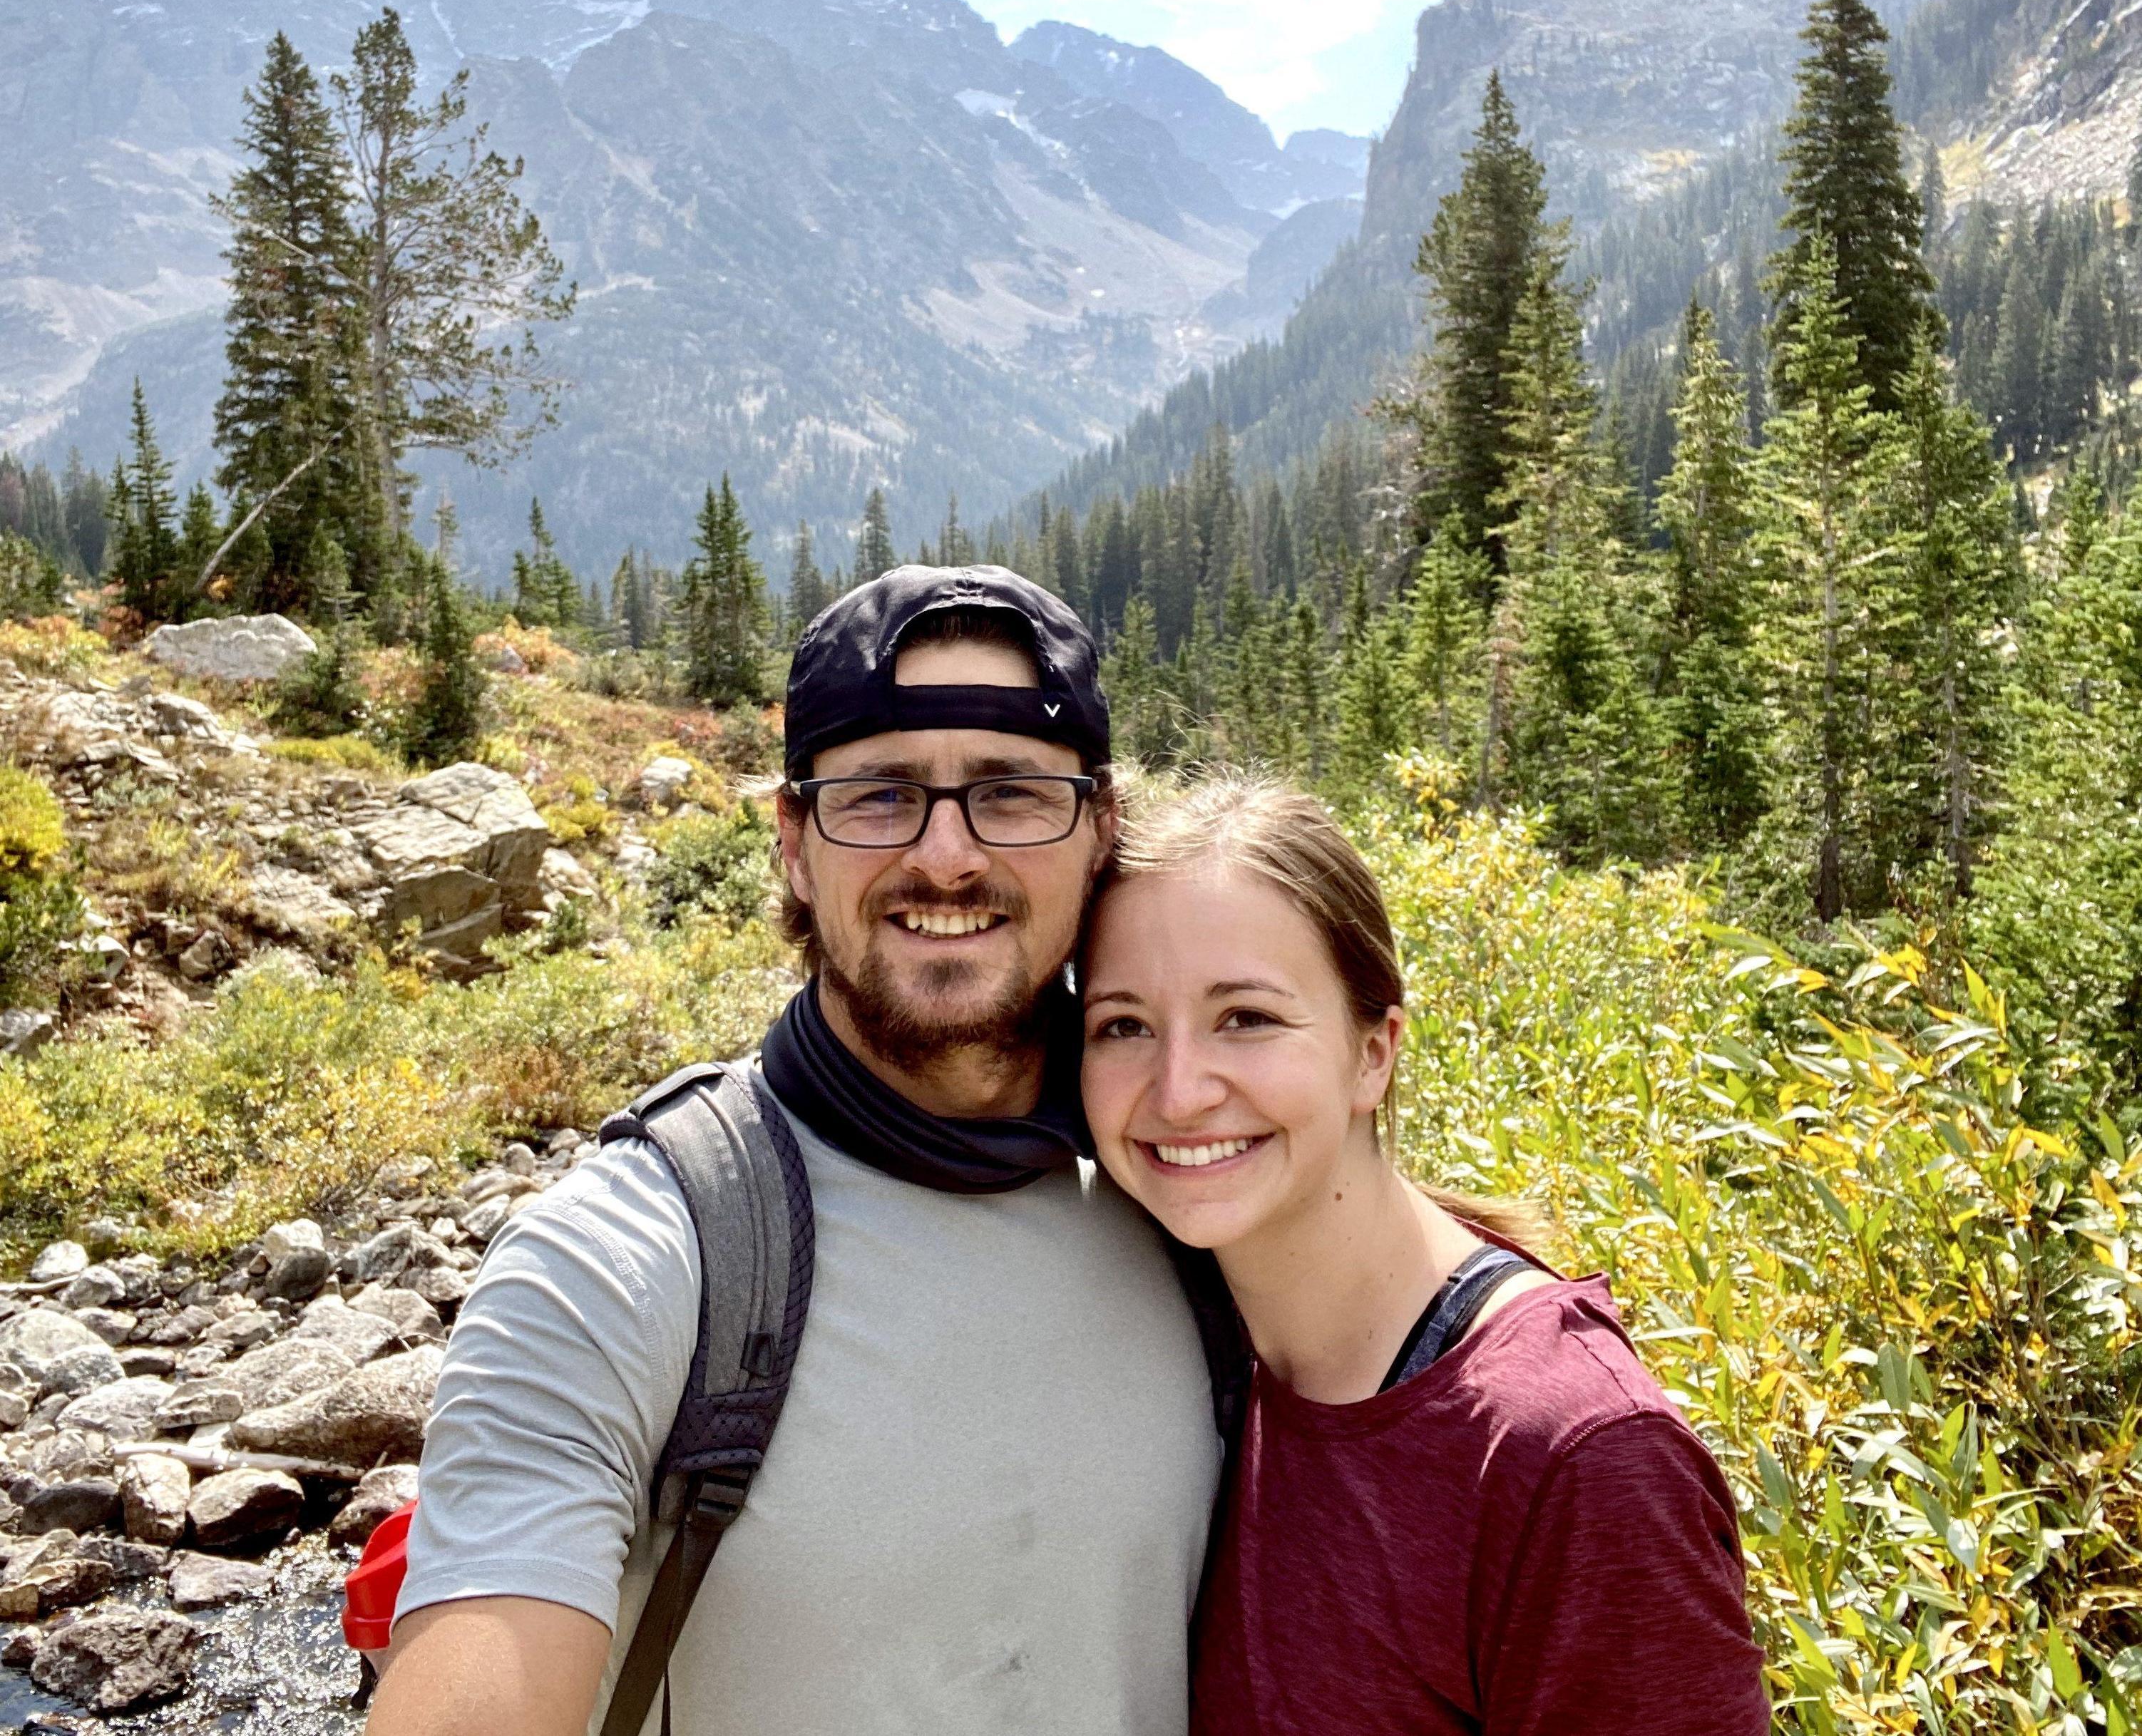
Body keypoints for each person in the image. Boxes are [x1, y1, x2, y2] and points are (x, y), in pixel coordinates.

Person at [365, 566, 1219, 1736]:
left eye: (1014, 793)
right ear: (793, 839)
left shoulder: (1199, 1196)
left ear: (1102, 829)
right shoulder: (624, 1264)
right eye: (882, 795)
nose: (950, 857)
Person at [1080, 774, 1773, 1736]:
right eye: (1124, 1026)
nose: (1179, 1087)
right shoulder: (1169, 1337)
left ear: (1375, 1052)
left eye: (1246, 1017)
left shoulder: (1570, 1458)